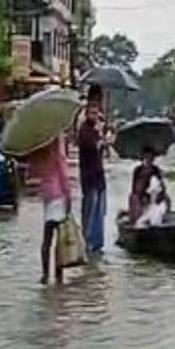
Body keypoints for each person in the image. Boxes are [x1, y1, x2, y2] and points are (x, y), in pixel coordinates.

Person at [29, 136, 72, 284]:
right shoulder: (58, 156)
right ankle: (59, 274)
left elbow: (34, 173)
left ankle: (45, 274)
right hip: (58, 197)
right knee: (60, 239)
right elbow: (64, 177)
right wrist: (69, 198)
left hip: (47, 197)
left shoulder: (41, 156)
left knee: (47, 238)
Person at [77, 100, 108, 254]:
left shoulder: (97, 129)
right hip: (89, 177)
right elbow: (92, 147)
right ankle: (87, 242)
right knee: (90, 209)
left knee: (100, 211)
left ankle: (97, 243)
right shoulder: (84, 130)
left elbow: (101, 151)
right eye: (92, 113)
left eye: (96, 113)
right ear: (86, 114)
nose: (94, 116)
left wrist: (103, 138)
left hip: (99, 176)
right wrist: (100, 137)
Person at [128, 146, 168, 226]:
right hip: (140, 196)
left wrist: (161, 194)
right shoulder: (138, 169)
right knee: (134, 200)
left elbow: (160, 184)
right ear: (143, 157)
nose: (149, 159)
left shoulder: (155, 169)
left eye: (151, 157)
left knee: (163, 203)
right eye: (147, 156)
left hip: (152, 195)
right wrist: (140, 196)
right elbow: (134, 186)